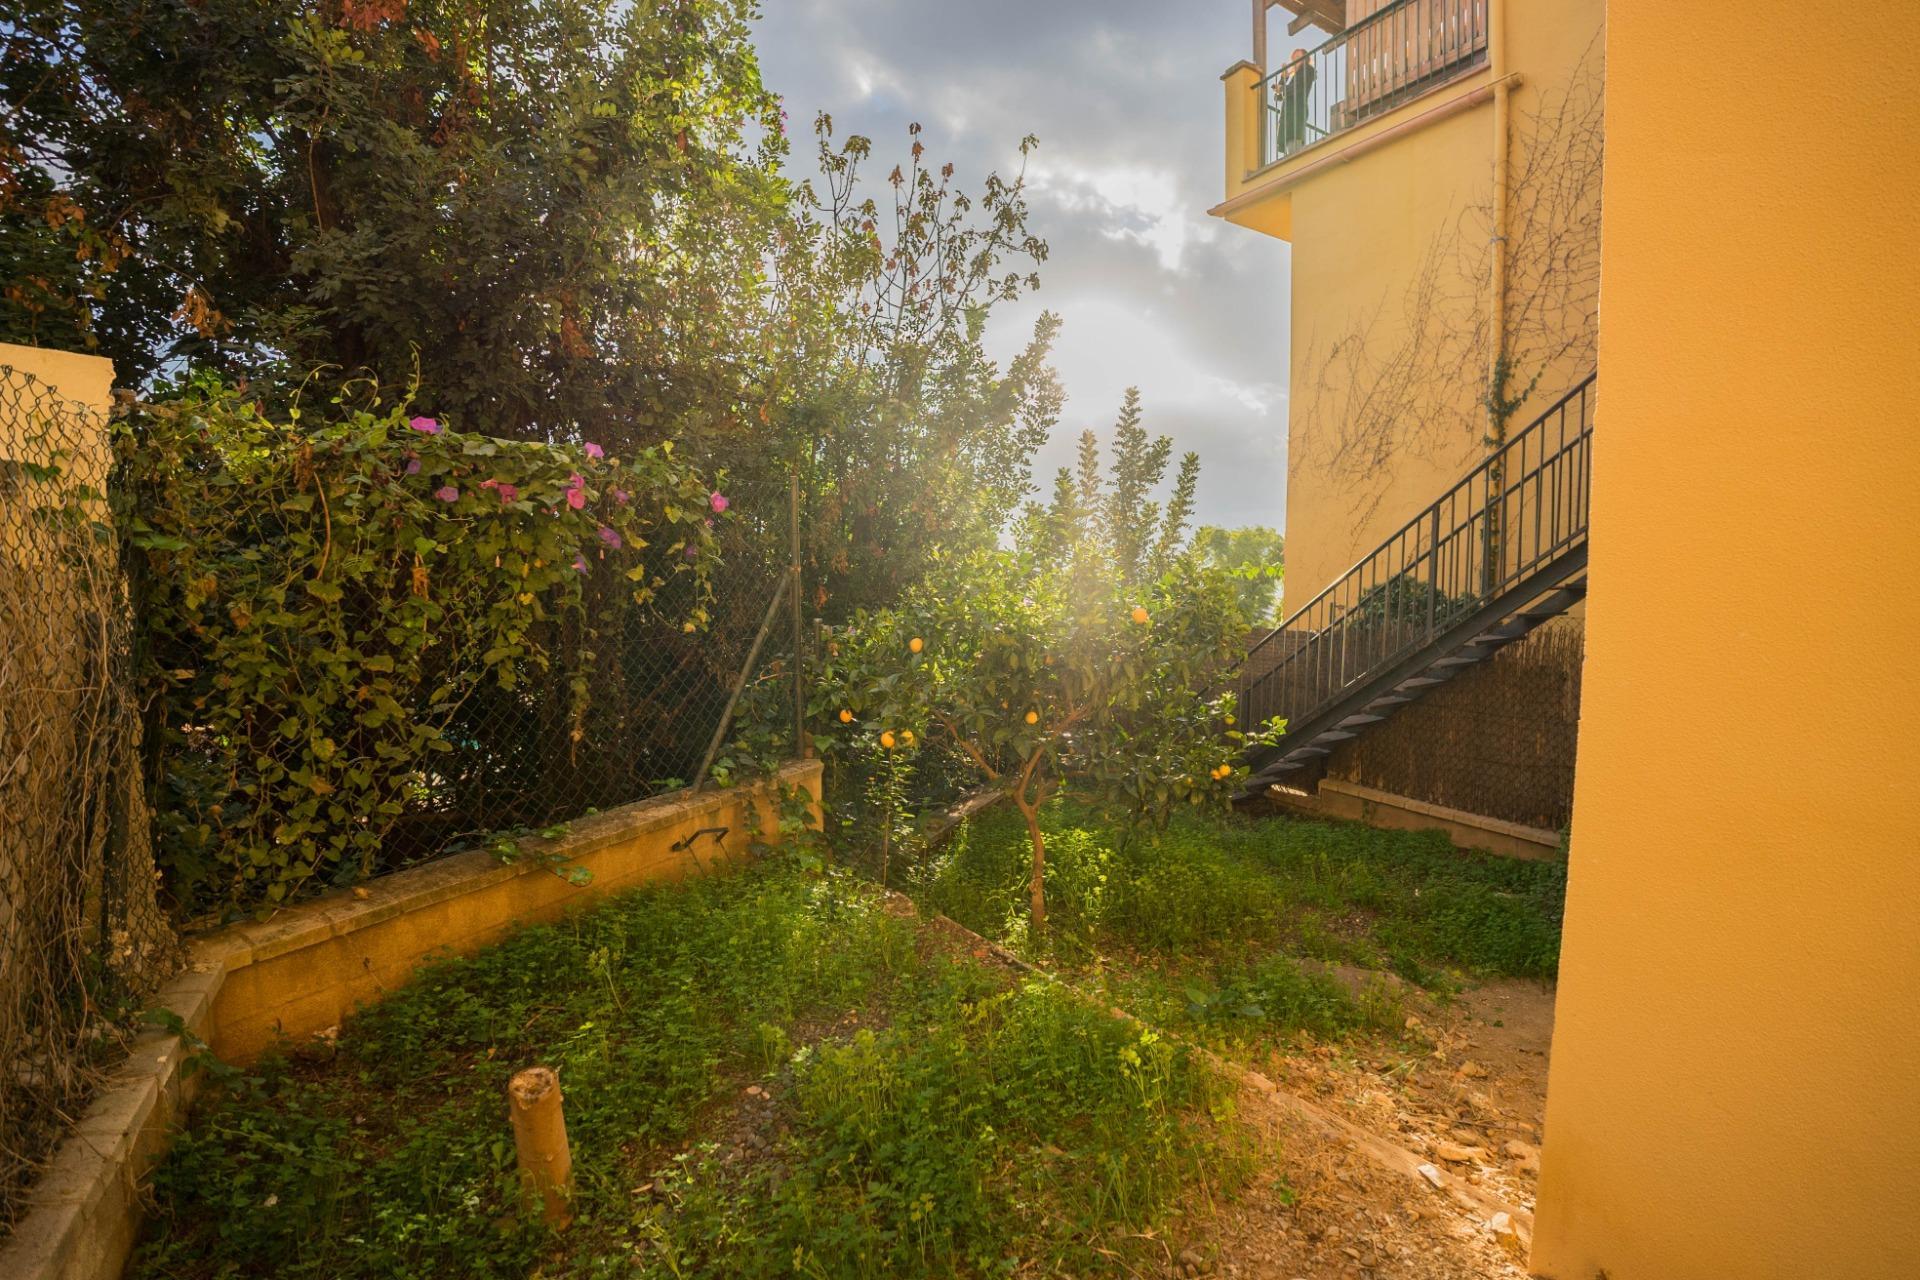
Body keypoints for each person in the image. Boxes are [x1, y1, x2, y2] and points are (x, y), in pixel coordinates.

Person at [1273, 47, 1317, 157]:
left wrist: (1281, 88)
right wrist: (1284, 78)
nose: (1295, 61)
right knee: (1290, 142)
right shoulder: (1295, 77)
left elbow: (1295, 89)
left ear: (1305, 59)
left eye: (1298, 57)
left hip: (1296, 112)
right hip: (1289, 115)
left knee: (1294, 141)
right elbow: (1278, 97)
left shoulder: (1308, 70)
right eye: (1294, 59)